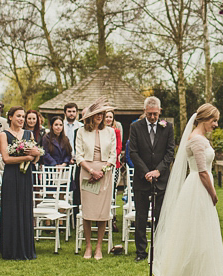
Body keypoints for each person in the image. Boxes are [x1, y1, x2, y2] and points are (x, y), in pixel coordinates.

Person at [153, 103, 223, 276]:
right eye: (213, 120)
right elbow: (202, 172)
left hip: (198, 186)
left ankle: (198, 273)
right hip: (199, 188)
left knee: (201, 231)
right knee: (199, 230)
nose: (216, 124)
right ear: (204, 119)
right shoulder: (197, 140)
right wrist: (214, 194)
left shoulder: (200, 138)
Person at [127, 96, 177, 261]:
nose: (153, 117)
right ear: (145, 112)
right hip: (142, 179)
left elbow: (170, 152)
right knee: (141, 217)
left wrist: (158, 171)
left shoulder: (167, 127)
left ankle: (159, 251)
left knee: (160, 216)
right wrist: (146, 172)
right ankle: (141, 252)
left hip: (161, 179)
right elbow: (133, 152)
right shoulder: (135, 127)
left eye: (155, 114)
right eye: (149, 114)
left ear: (160, 112)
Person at [75, 98, 118, 260]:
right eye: (96, 114)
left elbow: (113, 155)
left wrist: (103, 170)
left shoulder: (110, 132)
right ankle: (88, 246)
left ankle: (99, 247)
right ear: (90, 116)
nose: (100, 116)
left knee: (102, 212)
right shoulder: (81, 132)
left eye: (102, 113)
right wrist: (92, 171)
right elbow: (78, 155)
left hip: (105, 173)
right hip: (87, 172)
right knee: (88, 211)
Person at [0, 106, 42, 260]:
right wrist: (26, 158)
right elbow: (6, 158)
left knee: (24, 207)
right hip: (11, 175)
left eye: (23, 116)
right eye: (18, 116)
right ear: (10, 117)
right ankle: (10, 249)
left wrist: (35, 155)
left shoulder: (29, 134)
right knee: (11, 208)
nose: (22, 119)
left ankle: (25, 247)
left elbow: (36, 157)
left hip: (25, 175)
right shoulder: (4, 134)